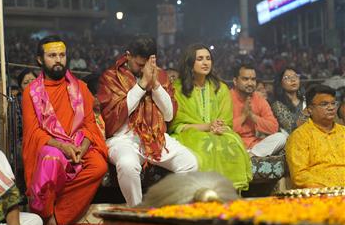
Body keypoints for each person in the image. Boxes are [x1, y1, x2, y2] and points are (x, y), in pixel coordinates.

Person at [98, 35, 198, 207]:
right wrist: (142, 84)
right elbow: (115, 115)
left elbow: (168, 115)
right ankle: (137, 213)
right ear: (128, 55)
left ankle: (168, 210)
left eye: (147, 64)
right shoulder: (111, 77)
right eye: (139, 64)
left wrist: (156, 85)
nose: (144, 69)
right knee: (127, 165)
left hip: (155, 137)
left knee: (190, 163)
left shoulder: (160, 75)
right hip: (123, 139)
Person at [22, 36, 108, 225]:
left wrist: (81, 148)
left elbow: (89, 125)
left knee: (99, 166)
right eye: (52, 55)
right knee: (53, 160)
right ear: (40, 60)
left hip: (78, 145)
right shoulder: (31, 93)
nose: (58, 59)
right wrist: (62, 146)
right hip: (52, 146)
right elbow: (34, 132)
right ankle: (45, 214)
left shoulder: (81, 88)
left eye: (62, 55)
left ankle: (56, 220)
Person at [169, 44, 252, 191]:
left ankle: (225, 194)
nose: (205, 62)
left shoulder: (220, 88)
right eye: (200, 59)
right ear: (190, 62)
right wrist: (207, 127)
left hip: (219, 132)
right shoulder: (177, 89)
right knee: (205, 144)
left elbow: (226, 122)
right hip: (188, 135)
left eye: (208, 58)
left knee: (231, 143)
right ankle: (202, 194)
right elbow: (177, 125)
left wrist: (218, 127)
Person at [286, 85, 345, 188]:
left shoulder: (343, 132)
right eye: (324, 104)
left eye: (333, 103)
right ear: (309, 110)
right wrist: (330, 188)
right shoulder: (300, 136)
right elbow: (299, 176)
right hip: (322, 194)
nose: (331, 108)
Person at [231, 63, 287, 157]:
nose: (250, 83)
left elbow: (273, 128)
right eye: (245, 79)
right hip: (233, 144)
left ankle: (251, 156)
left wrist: (252, 116)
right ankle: (251, 156)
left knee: (281, 137)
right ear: (235, 81)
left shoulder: (259, 99)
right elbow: (225, 129)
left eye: (253, 79)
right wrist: (244, 116)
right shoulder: (226, 98)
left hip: (255, 146)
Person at [271, 68, 308, 134]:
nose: (293, 80)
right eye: (287, 77)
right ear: (280, 83)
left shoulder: (305, 99)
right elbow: (291, 129)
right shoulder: (278, 104)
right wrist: (306, 113)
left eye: (295, 76)